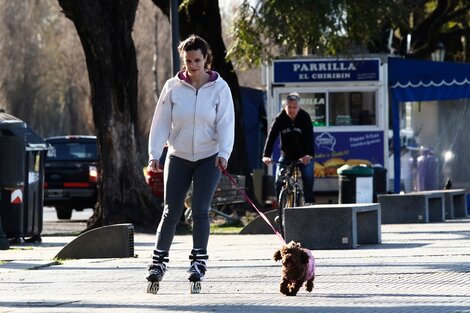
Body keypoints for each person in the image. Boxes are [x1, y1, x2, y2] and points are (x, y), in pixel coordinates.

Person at [146, 35, 235, 288]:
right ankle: (158, 261)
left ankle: (198, 260)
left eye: (197, 60)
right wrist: (154, 154)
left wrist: (224, 153)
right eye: (188, 61)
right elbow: (161, 121)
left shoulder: (220, 88)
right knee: (170, 210)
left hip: (209, 157)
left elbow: (226, 124)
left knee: (200, 209)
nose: (192, 66)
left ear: (206, 59)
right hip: (178, 155)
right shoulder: (173, 87)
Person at [262, 92, 315, 204]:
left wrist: (308, 155)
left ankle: (309, 204)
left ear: (299, 107)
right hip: (286, 156)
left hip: (304, 155)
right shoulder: (280, 118)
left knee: (308, 178)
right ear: (285, 107)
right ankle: (280, 210)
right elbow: (271, 137)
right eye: (289, 107)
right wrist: (266, 155)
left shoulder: (304, 117)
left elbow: (310, 137)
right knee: (279, 181)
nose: (292, 110)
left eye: (294, 107)